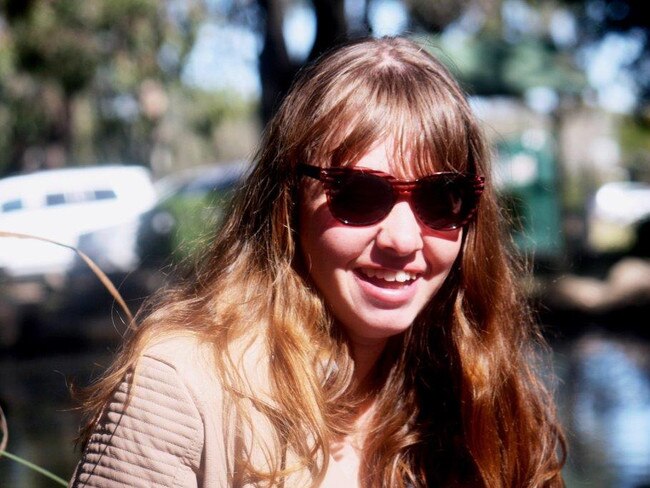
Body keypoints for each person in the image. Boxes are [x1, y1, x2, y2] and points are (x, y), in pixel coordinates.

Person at [70, 36, 566, 487]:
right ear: (287, 201)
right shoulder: (180, 391)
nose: (403, 239)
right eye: (358, 193)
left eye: (442, 198)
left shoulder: (484, 394)